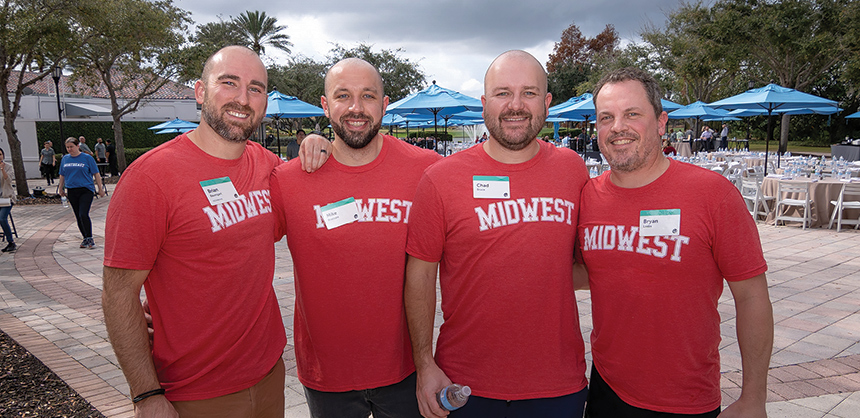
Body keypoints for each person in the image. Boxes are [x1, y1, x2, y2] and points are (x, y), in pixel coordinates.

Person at [101, 46, 287, 418]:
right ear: (200, 92)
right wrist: (146, 395)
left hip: (269, 373)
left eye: (256, 88)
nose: (242, 98)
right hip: (193, 391)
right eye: (228, 83)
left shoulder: (268, 165)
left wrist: (319, 146)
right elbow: (119, 293)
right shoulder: (151, 177)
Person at [404, 50, 589, 418]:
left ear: (547, 102)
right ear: (485, 102)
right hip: (464, 383)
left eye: (530, 93)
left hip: (557, 383)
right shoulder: (442, 179)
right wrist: (424, 364)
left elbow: (589, 265)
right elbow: (420, 275)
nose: (516, 105)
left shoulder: (572, 170)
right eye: (503, 93)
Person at [580, 67, 773, 418]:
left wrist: (753, 398)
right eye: (606, 117)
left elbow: (752, 296)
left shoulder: (712, 194)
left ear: (661, 122)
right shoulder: (588, 197)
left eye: (632, 114)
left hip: (685, 399)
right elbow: (594, 271)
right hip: (606, 388)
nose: (617, 127)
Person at [270, 58, 441, 418]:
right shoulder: (288, 179)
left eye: (368, 96)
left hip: (403, 368)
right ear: (325, 104)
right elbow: (236, 246)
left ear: (385, 103)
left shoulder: (425, 168)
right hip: (326, 376)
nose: (356, 108)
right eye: (343, 96)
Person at [58, 137, 105, 249]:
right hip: (72, 190)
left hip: (86, 189)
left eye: (71, 147)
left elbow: (96, 174)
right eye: (67, 147)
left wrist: (100, 188)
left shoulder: (87, 158)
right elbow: (62, 174)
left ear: (77, 146)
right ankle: (85, 238)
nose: (69, 149)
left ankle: (90, 237)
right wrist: (60, 188)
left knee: (83, 213)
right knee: (78, 215)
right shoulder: (65, 159)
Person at [0, 148, 16, 253]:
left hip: (7, 198)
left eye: (0, 154)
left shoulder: (8, 167)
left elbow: (9, 180)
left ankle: (11, 242)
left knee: (2, 219)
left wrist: (2, 170)